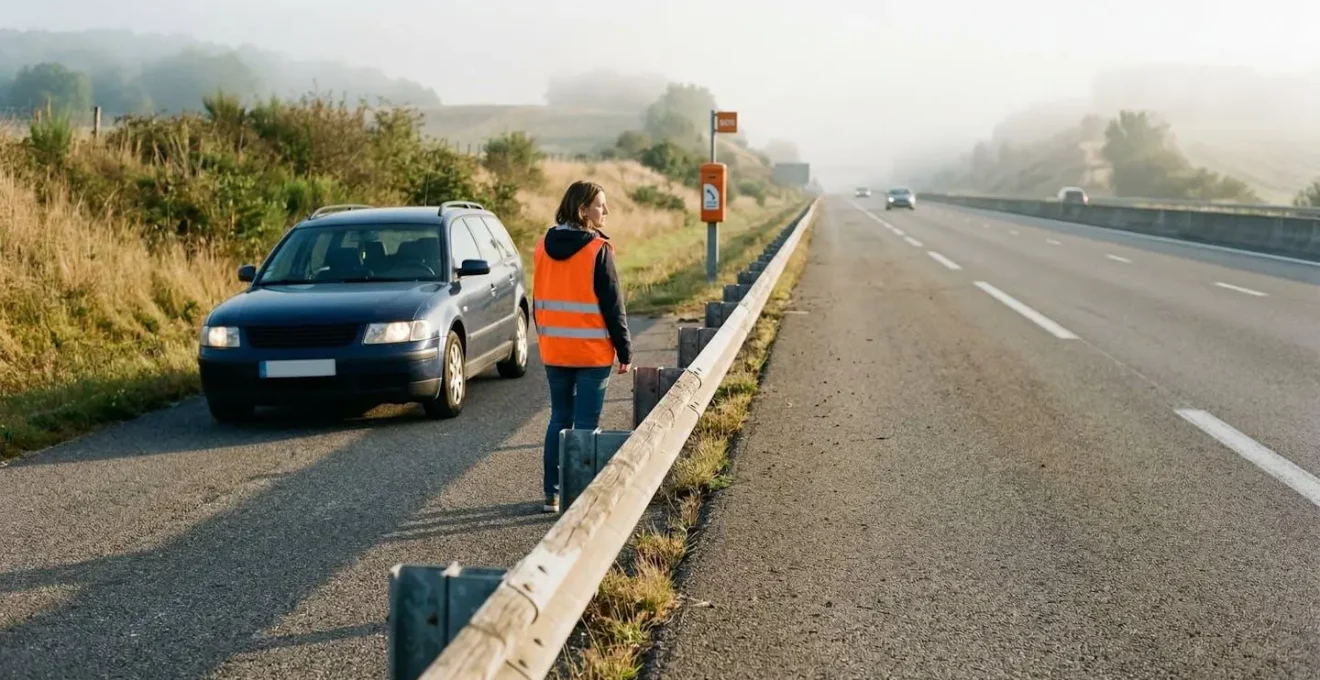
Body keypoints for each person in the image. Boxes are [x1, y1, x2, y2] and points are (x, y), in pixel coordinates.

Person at [532, 180, 632, 513]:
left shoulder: (541, 246)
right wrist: (625, 351)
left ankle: (552, 493)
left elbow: (538, 300)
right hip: (591, 353)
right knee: (587, 423)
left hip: (554, 351)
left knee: (559, 418)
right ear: (582, 210)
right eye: (600, 205)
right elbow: (613, 306)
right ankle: (582, 498)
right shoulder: (597, 250)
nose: (606, 211)